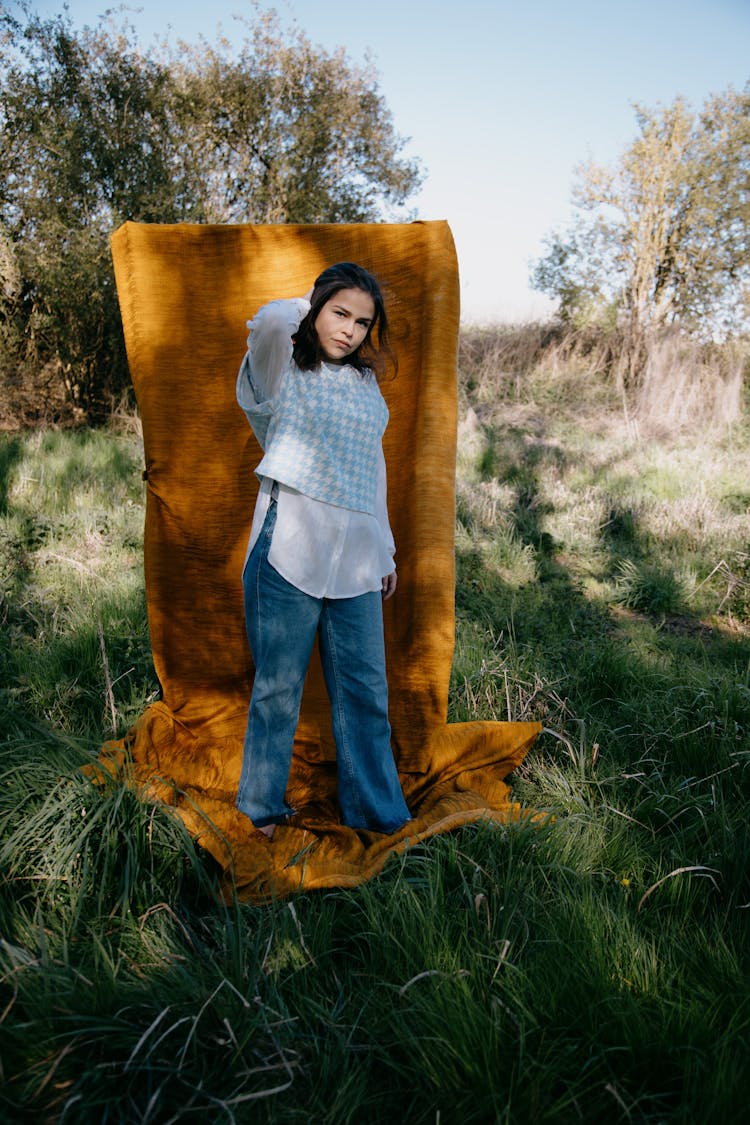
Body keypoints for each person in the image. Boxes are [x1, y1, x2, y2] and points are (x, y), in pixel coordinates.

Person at [235, 262, 411, 840]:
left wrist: (384, 550)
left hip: (357, 558)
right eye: (340, 313)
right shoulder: (280, 364)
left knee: (366, 694)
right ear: (314, 308)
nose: (350, 331)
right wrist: (310, 304)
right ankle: (261, 811)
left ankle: (378, 818)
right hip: (288, 548)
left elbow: (373, 471)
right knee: (278, 691)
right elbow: (267, 323)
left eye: (363, 322)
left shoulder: (365, 385)